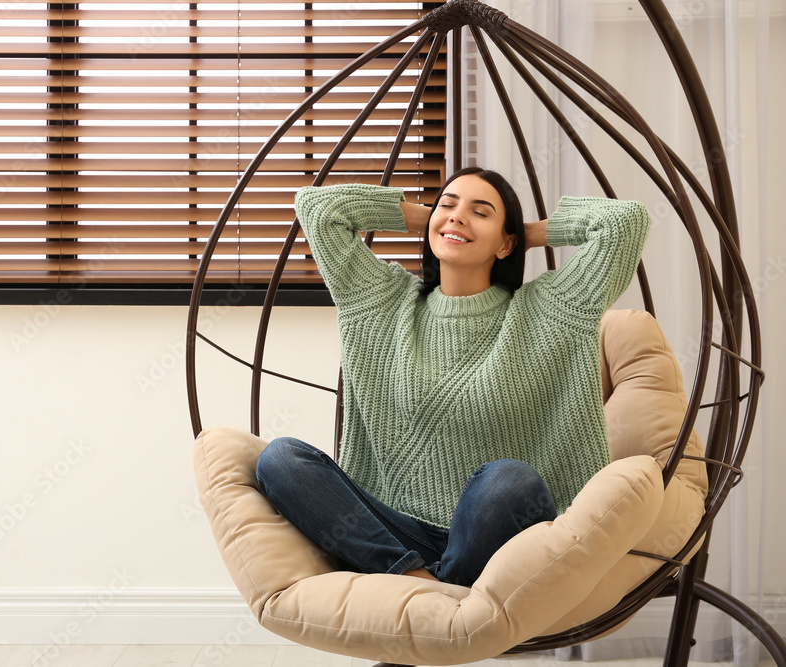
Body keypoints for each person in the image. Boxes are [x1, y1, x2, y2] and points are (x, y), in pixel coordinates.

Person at [254, 166, 651, 587]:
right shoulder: (379, 299)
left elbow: (624, 223)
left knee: (509, 478)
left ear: (506, 244)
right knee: (280, 458)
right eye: (449, 203)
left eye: (481, 211)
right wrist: (437, 219)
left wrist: (523, 233)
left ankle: (429, 591)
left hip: (500, 531)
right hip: (395, 533)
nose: (458, 216)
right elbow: (318, 207)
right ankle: (424, 582)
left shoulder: (553, 309)